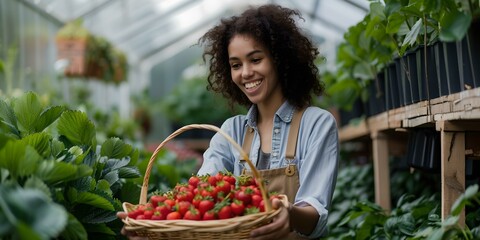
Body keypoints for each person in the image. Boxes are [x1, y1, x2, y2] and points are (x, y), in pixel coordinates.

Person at [118, 3, 338, 240]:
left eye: (255, 59)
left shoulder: (316, 124)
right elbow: (202, 194)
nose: (245, 73)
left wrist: (289, 214)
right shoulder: (231, 131)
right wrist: (151, 222)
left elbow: (315, 211)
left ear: (280, 60)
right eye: (236, 65)